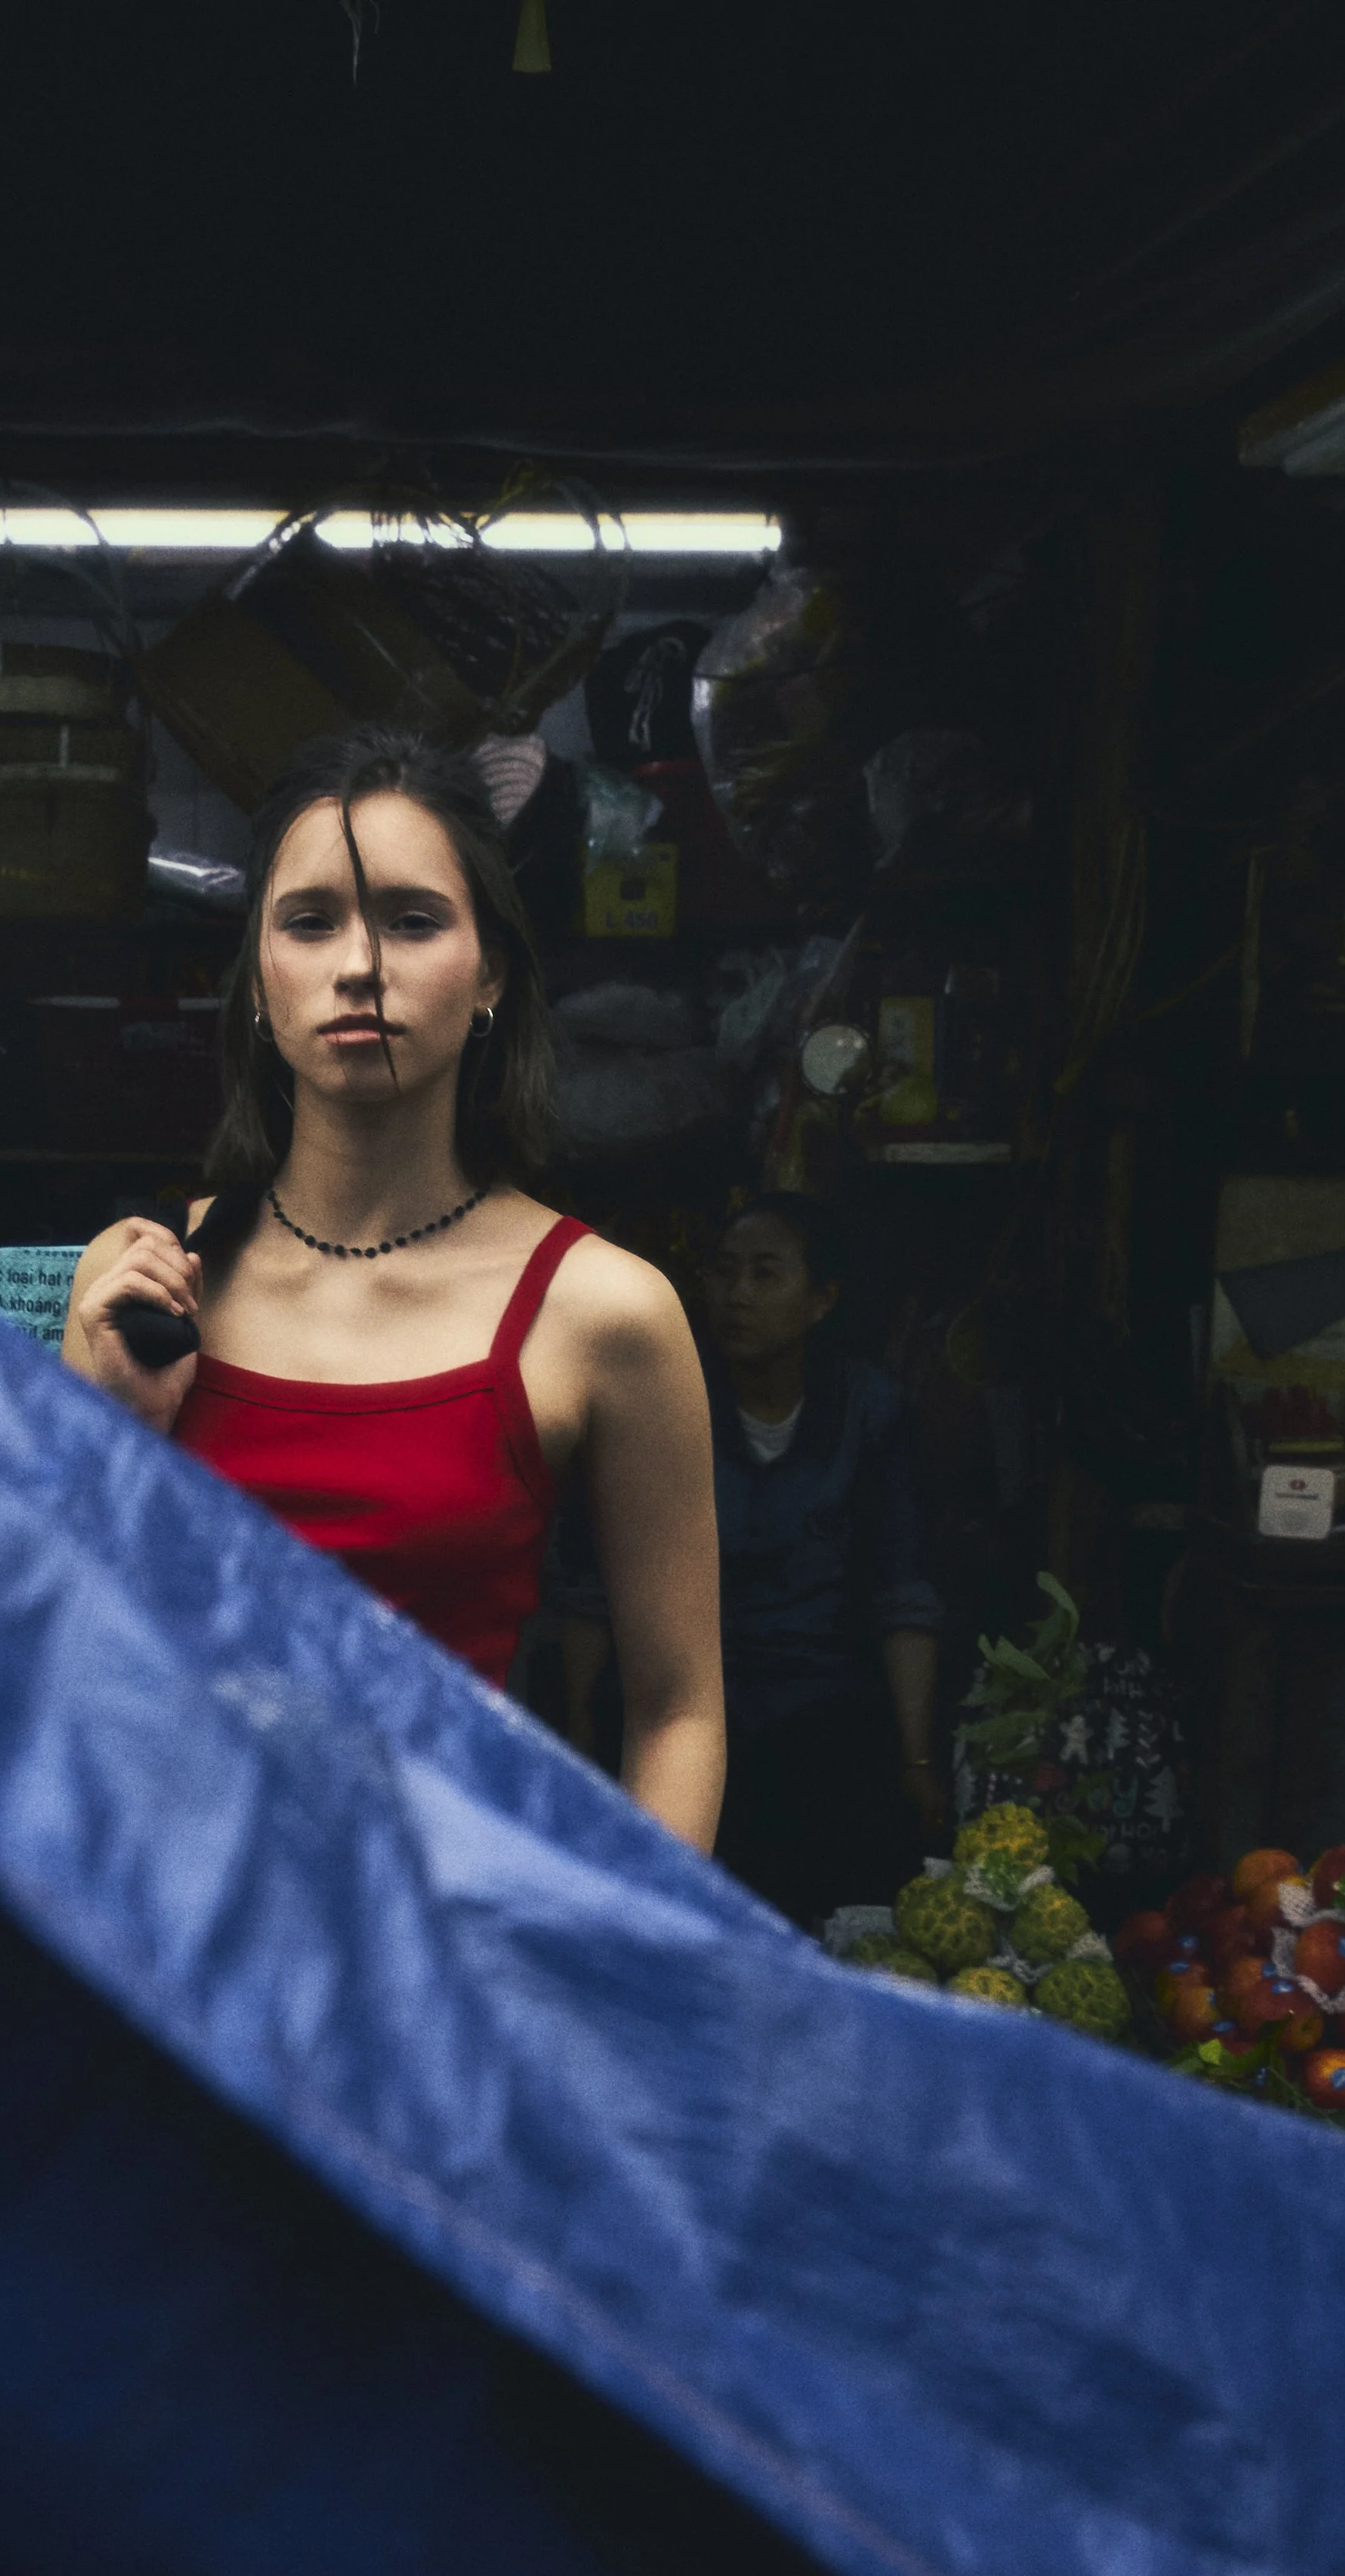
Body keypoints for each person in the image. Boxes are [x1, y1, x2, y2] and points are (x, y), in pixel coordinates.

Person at [62, 728, 726, 1854]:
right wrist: (116, 1429)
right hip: (176, 1952)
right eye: (310, 920)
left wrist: (625, 1981)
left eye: (414, 920)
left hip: (455, 1964)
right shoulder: (141, 1281)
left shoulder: (605, 1310)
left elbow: (678, 1710)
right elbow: (65, 1664)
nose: (359, 963)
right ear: (260, 980)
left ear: (492, 974)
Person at [699, 1193, 944, 1924]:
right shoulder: (676, 1401)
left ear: (821, 1300)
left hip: (826, 1713)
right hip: (709, 1711)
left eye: (765, 1275)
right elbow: (594, 1580)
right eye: (724, 1273)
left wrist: (917, 1760)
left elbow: (903, 1589)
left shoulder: (869, 1410)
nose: (737, 1295)